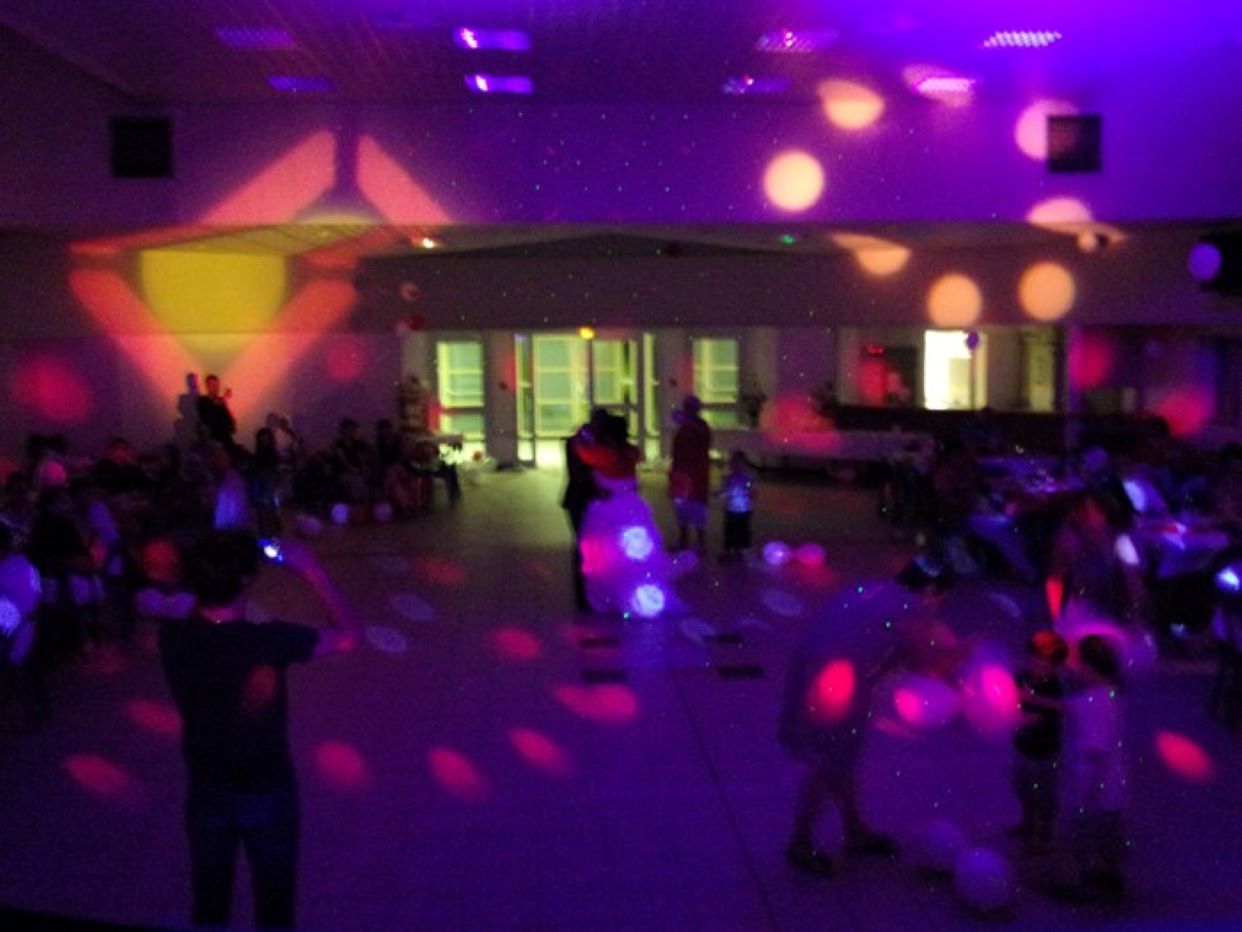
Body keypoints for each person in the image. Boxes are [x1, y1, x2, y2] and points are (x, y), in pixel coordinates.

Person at [159, 530, 360, 929]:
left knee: (210, 904)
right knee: (274, 905)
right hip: (267, 786)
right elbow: (350, 635)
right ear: (246, 580)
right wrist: (312, 570)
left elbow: (189, 606)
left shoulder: (174, 636)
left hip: (207, 788)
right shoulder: (270, 641)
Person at [779, 568, 981, 877]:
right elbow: (926, 662)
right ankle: (801, 843)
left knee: (839, 763)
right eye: (941, 598)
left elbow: (894, 653)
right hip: (834, 685)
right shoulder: (910, 607)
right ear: (930, 591)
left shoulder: (877, 588)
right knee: (827, 764)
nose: (938, 606)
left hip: (818, 673)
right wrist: (967, 649)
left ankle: (855, 830)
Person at [574, 414, 677, 618]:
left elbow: (581, 451)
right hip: (631, 505)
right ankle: (637, 590)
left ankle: (610, 593)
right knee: (633, 551)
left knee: (606, 551)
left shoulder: (604, 453)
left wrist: (583, 434)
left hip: (607, 507)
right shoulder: (631, 451)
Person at [1056, 634, 1127, 899]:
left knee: (1083, 837)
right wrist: (1030, 697)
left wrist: (1087, 795)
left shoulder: (1093, 704)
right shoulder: (1109, 693)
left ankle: (1079, 885)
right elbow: (1068, 705)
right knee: (1108, 836)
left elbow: (1096, 752)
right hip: (1113, 789)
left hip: (1093, 788)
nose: (1077, 670)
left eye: (1081, 665)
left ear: (1091, 668)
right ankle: (1111, 877)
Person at [1010, 631, 1069, 853]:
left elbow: (1038, 718)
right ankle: (1027, 823)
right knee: (1023, 788)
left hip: (1045, 752)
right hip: (1022, 747)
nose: (1038, 665)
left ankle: (1044, 835)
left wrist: (1014, 714)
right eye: (1034, 659)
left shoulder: (1053, 687)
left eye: (1045, 663)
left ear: (1055, 667)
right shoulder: (1021, 677)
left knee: (1045, 794)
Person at [562, 408, 610, 612]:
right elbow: (582, 472)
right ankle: (586, 594)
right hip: (584, 499)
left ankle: (587, 593)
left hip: (581, 499)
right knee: (586, 546)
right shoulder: (584, 442)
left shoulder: (583, 440)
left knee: (586, 546)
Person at [669, 395, 712, 552]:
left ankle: (700, 543)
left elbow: (702, 446)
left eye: (690, 407)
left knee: (697, 507)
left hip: (696, 475)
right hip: (682, 473)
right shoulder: (685, 426)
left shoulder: (700, 426)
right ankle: (684, 541)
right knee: (682, 508)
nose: (687, 410)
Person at [719, 450, 755, 561]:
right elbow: (726, 491)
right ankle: (729, 550)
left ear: (744, 463)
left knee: (743, 530)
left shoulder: (748, 478)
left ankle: (741, 550)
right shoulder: (729, 477)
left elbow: (752, 492)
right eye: (733, 462)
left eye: (739, 462)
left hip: (744, 510)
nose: (735, 465)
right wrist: (720, 494)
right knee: (730, 530)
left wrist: (750, 494)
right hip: (731, 509)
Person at [197, 375, 239, 452]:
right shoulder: (203, 400)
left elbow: (226, 415)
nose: (216, 388)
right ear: (207, 386)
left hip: (225, 436)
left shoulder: (220, 401)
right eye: (213, 385)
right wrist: (224, 398)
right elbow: (210, 414)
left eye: (217, 385)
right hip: (213, 437)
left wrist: (232, 423)